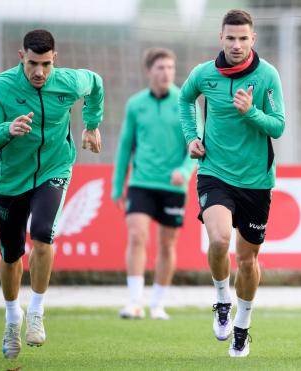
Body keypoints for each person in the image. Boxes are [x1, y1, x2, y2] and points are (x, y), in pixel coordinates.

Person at [0, 29, 104, 359]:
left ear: (54, 59)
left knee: (43, 234)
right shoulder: (1, 88)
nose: (39, 72)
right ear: (21, 57)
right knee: (11, 254)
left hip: (54, 170)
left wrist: (91, 122)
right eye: (32, 63)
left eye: (45, 64)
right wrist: (7, 129)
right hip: (12, 181)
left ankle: (36, 311)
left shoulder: (69, 82)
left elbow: (96, 84)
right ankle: (11, 317)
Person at [178, 9, 285, 357]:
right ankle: (223, 298)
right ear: (220, 38)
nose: (236, 45)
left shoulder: (267, 75)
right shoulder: (204, 74)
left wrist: (251, 112)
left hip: (256, 180)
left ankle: (243, 323)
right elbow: (185, 99)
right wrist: (191, 136)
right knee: (220, 239)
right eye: (230, 38)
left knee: (248, 260)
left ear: (253, 39)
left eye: (243, 38)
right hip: (215, 173)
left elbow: (278, 126)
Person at [112, 48, 202, 320]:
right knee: (137, 236)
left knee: (166, 245)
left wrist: (185, 172)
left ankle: (158, 303)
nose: (166, 73)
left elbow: (198, 146)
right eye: (161, 67)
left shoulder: (186, 102)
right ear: (148, 71)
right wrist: (118, 186)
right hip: (141, 183)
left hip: (173, 186)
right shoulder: (135, 104)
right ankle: (134, 302)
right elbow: (125, 146)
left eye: (171, 68)